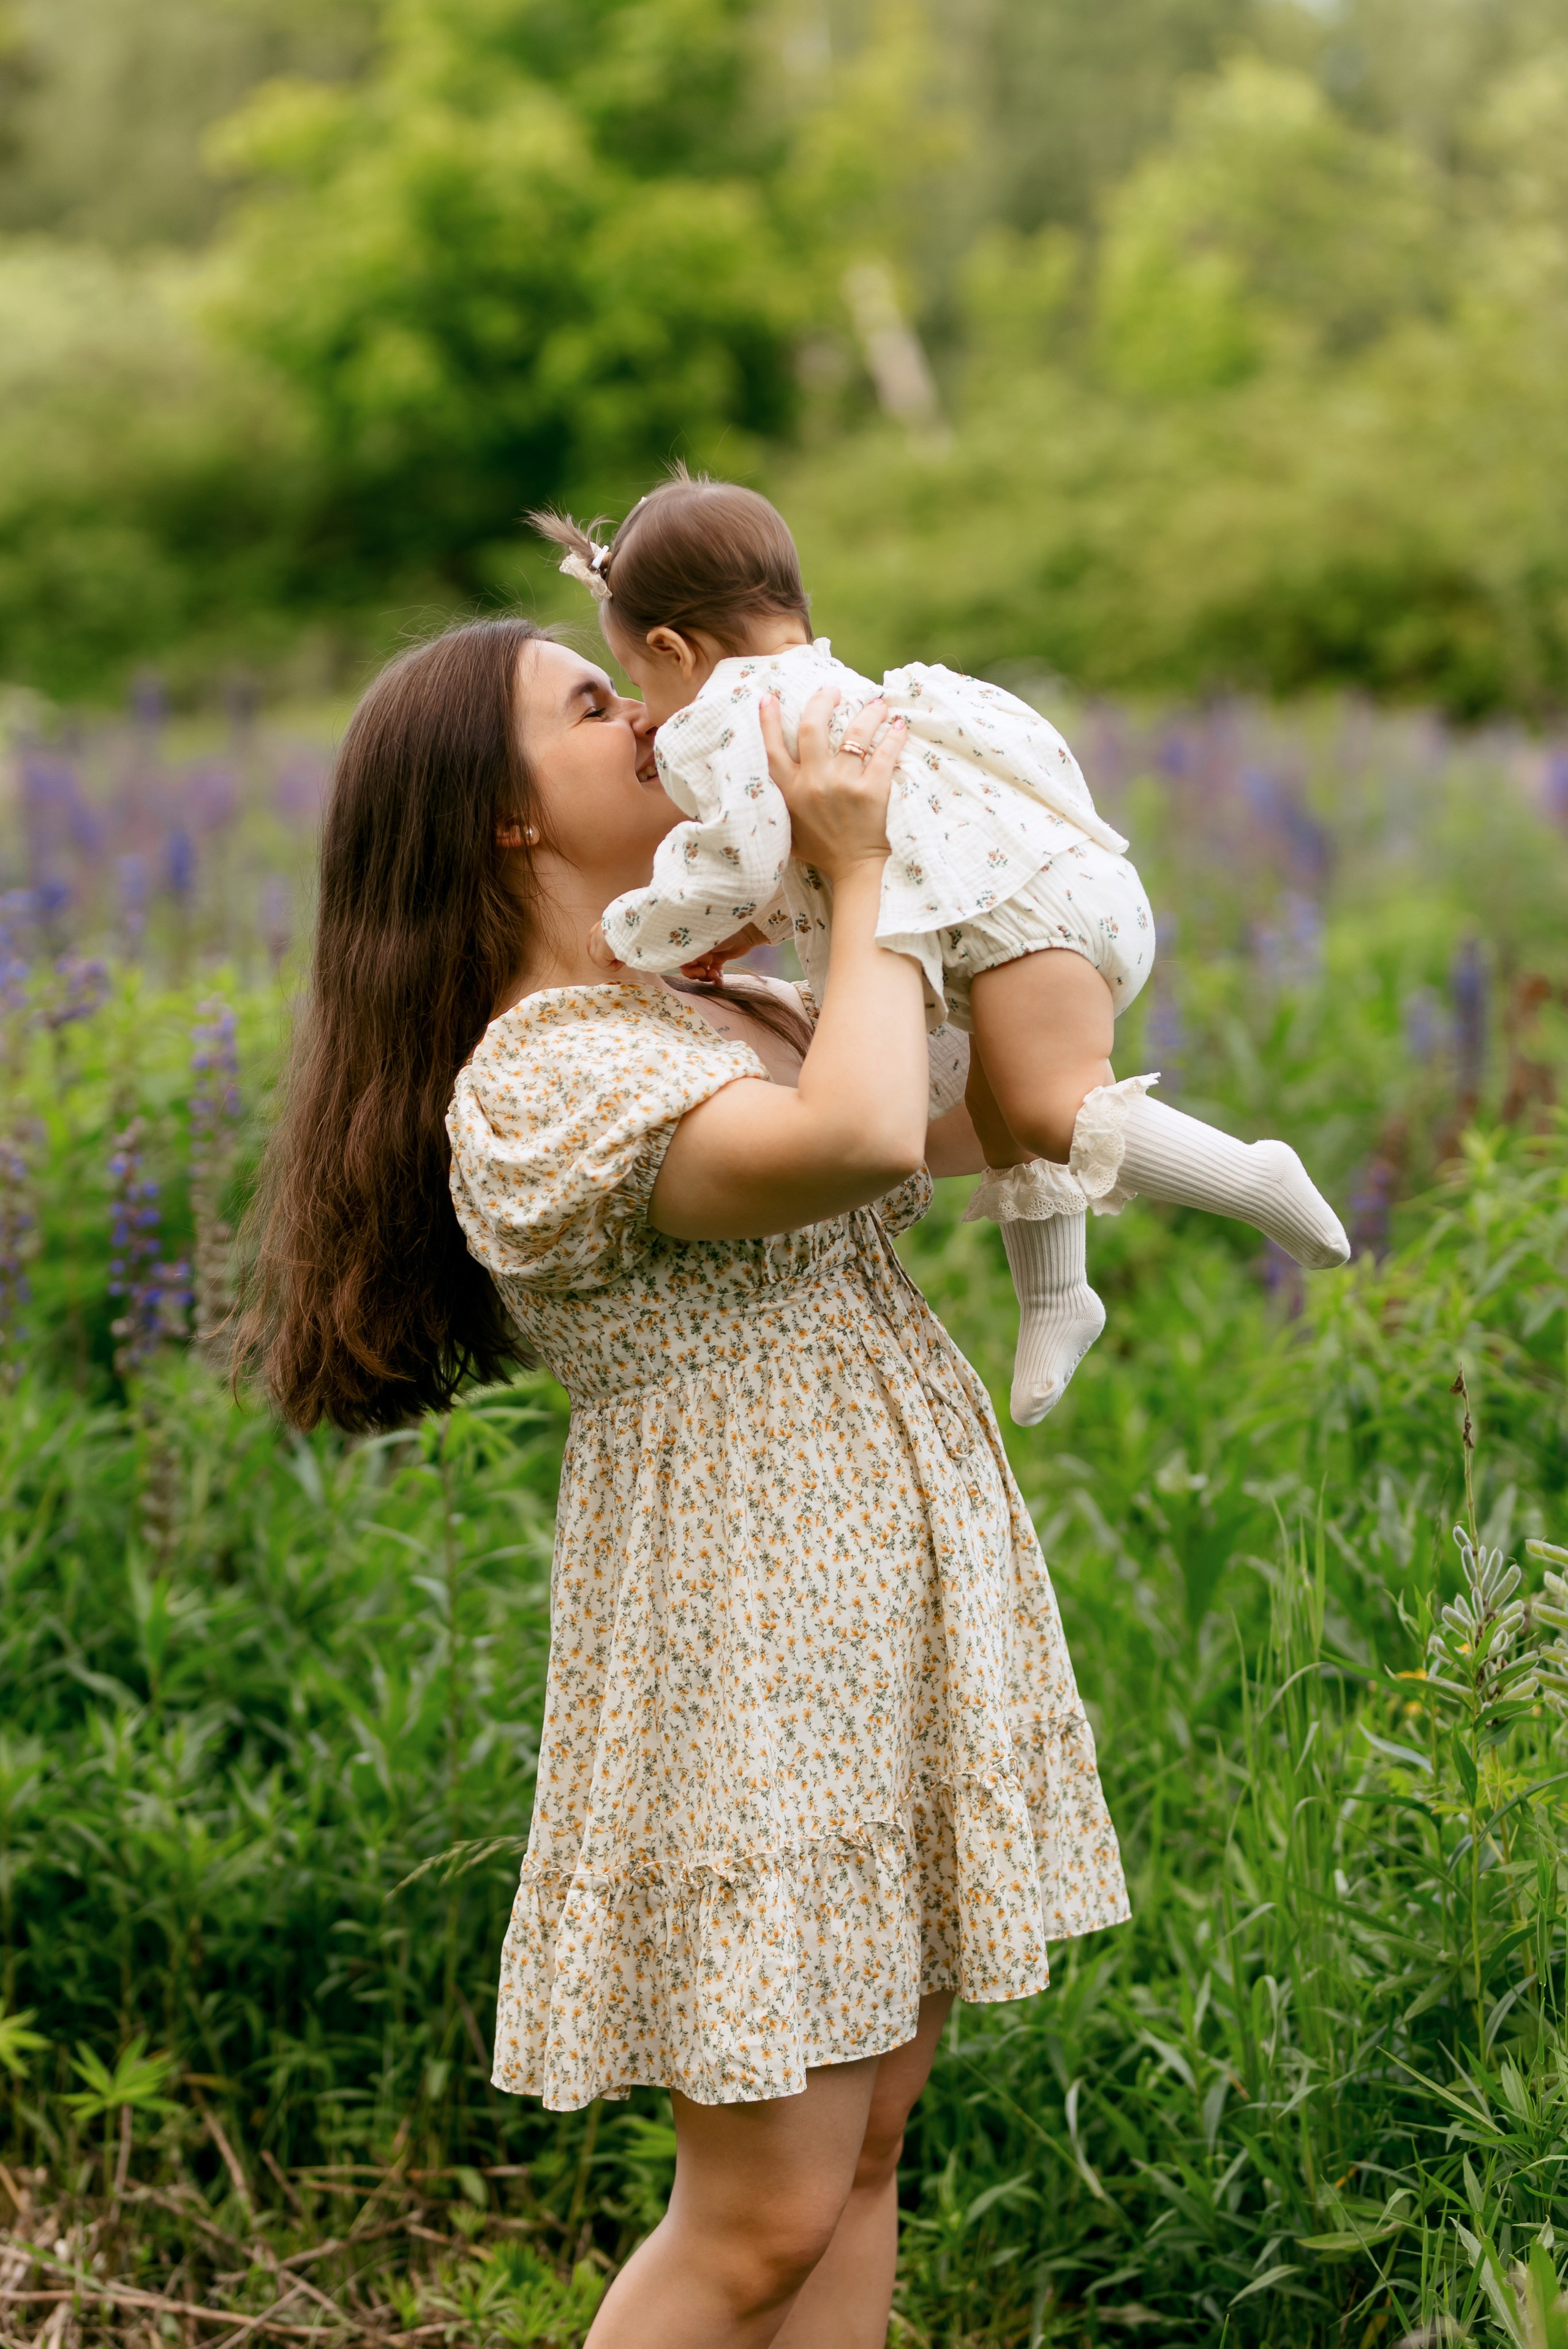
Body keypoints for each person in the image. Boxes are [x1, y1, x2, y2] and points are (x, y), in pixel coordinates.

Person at [239, 615, 1129, 2349]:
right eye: (595, 704)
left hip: (890, 1590)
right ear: (503, 817)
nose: (652, 714)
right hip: (748, 1640)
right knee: (759, 2219)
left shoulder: (710, 996)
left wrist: (1000, 858)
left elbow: (989, 1120)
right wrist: (862, 866)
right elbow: (859, 1138)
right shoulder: (535, 1081)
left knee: (866, 2155)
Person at [535, 471, 1350, 1428]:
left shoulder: (724, 719)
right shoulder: (832, 690)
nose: (644, 712)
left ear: (673, 649)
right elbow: (803, 864)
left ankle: (1255, 1179)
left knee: (1050, 1107)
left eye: (637, 682)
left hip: (1008, 918)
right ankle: (1056, 1298)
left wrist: (640, 929)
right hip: (1044, 890)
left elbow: (735, 858)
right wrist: (746, 936)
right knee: (1004, 1107)